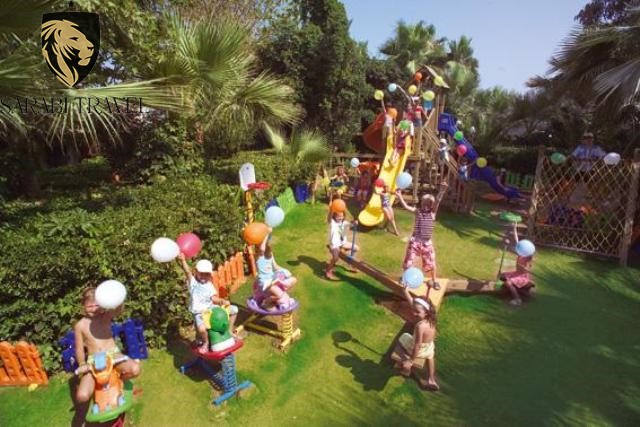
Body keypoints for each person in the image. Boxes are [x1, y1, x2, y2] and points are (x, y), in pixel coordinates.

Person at [74, 288, 141, 403]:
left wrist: (118, 299)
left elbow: (118, 310)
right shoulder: (80, 325)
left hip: (113, 355)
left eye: (97, 305)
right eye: (90, 306)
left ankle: (121, 380)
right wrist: (82, 364)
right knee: (82, 396)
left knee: (135, 370)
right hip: (93, 362)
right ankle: (98, 386)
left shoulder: (105, 316)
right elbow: (79, 349)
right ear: (83, 306)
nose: (94, 309)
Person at [177, 254, 239, 353]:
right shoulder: (193, 283)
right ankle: (206, 342)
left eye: (207, 274)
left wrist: (222, 301)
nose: (204, 276)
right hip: (200, 313)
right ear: (196, 272)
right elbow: (187, 272)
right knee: (202, 329)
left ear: (210, 275)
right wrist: (183, 260)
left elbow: (213, 298)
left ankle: (230, 331)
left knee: (234, 310)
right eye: (201, 273)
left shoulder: (209, 285)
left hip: (212, 309)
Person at [395, 180, 448, 290]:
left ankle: (434, 281)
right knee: (408, 261)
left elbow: (438, 200)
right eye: (424, 203)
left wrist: (442, 191)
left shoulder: (432, 213)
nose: (426, 205)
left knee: (431, 263)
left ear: (431, 205)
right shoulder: (418, 211)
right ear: (422, 203)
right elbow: (406, 207)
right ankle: (404, 278)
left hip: (427, 243)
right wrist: (399, 196)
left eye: (428, 204)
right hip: (415, 241)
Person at [390, 286, 439, 391]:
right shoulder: (431, 319)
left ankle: (405, 368)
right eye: (413, 310)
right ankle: (431, 379)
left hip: (419, 350)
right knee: (431, 357)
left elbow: (417, 345)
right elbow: (414, 303)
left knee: (403, 337)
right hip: (429, 347)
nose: (414, 313)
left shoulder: (420, 326)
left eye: (417, 312)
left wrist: (411, 360)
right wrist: (405, 291)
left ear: (425, 312)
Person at [254, 232, 297, 310]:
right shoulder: (257, 255)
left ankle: (280, 293)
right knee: (279, 295)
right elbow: (261, 249)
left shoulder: (269, 251)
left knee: (294, 279)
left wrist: (286, 271)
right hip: (264, 282)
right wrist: (266, 234)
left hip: (272, 279)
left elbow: (275, 266)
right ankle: (266, 302)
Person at [500, 223, 534, 306]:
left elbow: (528, 266)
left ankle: (517, 299)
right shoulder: (520, 252)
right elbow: (516, 240)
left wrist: (526, 268)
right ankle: (515, 290)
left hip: (522, 277)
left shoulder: (527, 258)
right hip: (516, 273)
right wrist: (514, 228)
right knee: (502, 275)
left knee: (508, 283)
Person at [325, 211, 359, 280]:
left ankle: (351, 263)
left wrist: (355, 222)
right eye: (338, 216)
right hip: (334, 245)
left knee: (356, 248)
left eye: (342, 216)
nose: (340, 218)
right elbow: (329, 218)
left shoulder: (344, 223)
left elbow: (352, 224)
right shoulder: (333, 223)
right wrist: (332, 209)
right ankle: (328, 270)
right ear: (334, 216)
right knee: (335, 258)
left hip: (343, 243)